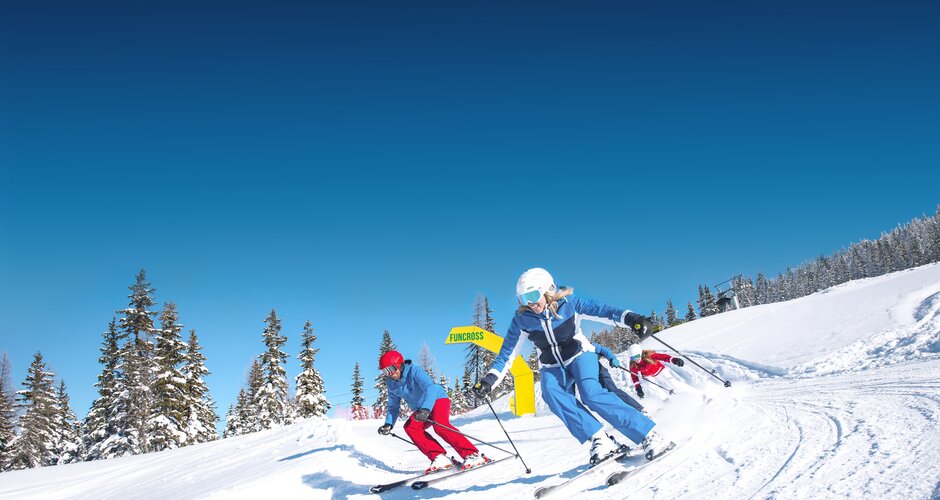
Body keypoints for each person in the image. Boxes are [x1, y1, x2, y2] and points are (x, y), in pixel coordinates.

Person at [473, 267, 673, 464]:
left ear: (548, 290)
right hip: (551, 365)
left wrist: (632, 318)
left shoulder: (570, 304)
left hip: (579, 355)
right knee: (550, 393)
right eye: (524, 299)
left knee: (591, 393)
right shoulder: (522, 319)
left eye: (533, 295)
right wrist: (489, 380)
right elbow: (507, 354)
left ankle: (649, 434)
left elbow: (603, 311)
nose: (531, 303)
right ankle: (599, 439)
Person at [378, 350, 488, 473]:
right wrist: (388, 424)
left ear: (398, 364)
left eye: (391, 369)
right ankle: (439, 457)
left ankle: (472, 454)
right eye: (385, 371)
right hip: (422, 409)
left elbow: (429, 387)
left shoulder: (414, 370)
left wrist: (426, 409)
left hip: (437, 399)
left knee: (440, 425)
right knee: (411, 428)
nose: (390, 374)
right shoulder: (391, 383)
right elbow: (393, 406)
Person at [593, 343, 646, 414]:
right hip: (584, 381)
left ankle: (639, 410)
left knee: (612, 391)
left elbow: (602, 350)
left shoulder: (580, 342)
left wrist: (612, 358)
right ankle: (618, 417)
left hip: (599, 373)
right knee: (596, 400)